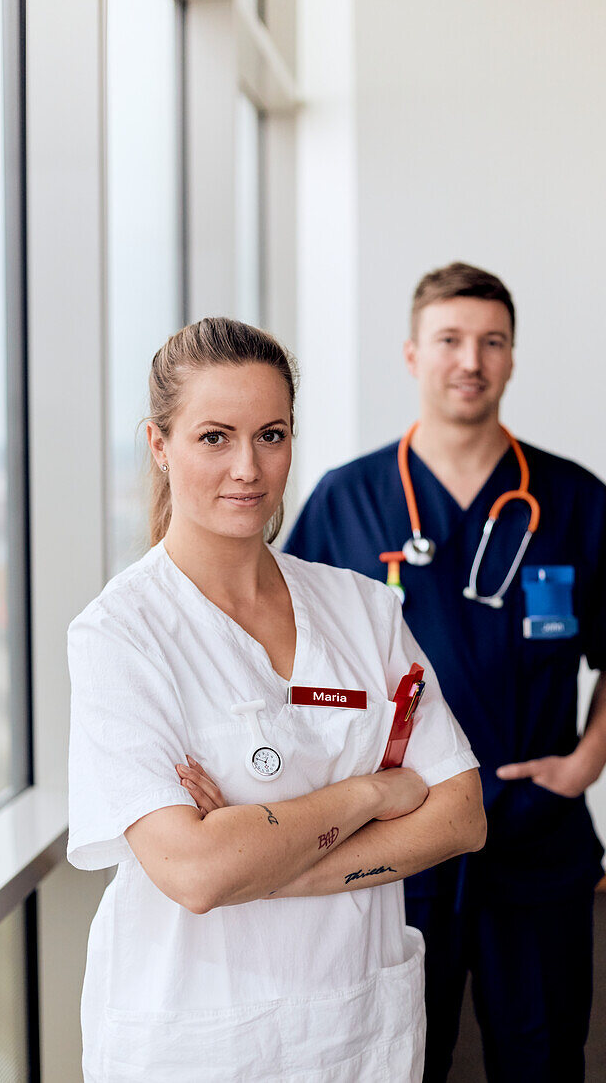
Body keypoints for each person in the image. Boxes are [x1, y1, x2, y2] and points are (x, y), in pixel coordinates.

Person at [66, 317, 485, 1082]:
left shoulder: (360, 609)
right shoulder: (120, 635)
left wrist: (256, 860)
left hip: (357, 1027)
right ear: (159, 445)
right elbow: (195, 876)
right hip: (197, 1038)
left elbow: (459, 816)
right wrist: (374, 791)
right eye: (214, 437)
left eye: (271, 434)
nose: (248, 468)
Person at [284, 262, 606, 1083]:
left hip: (532, 829)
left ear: (510, 358)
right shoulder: (348, 499)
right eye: (448, 340)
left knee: (542, 1058)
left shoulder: (573, 499)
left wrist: (583, 765)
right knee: (395, 1061)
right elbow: (283, 652)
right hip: (400, 838)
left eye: (490, 342)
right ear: (411, 354)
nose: (468, 359)